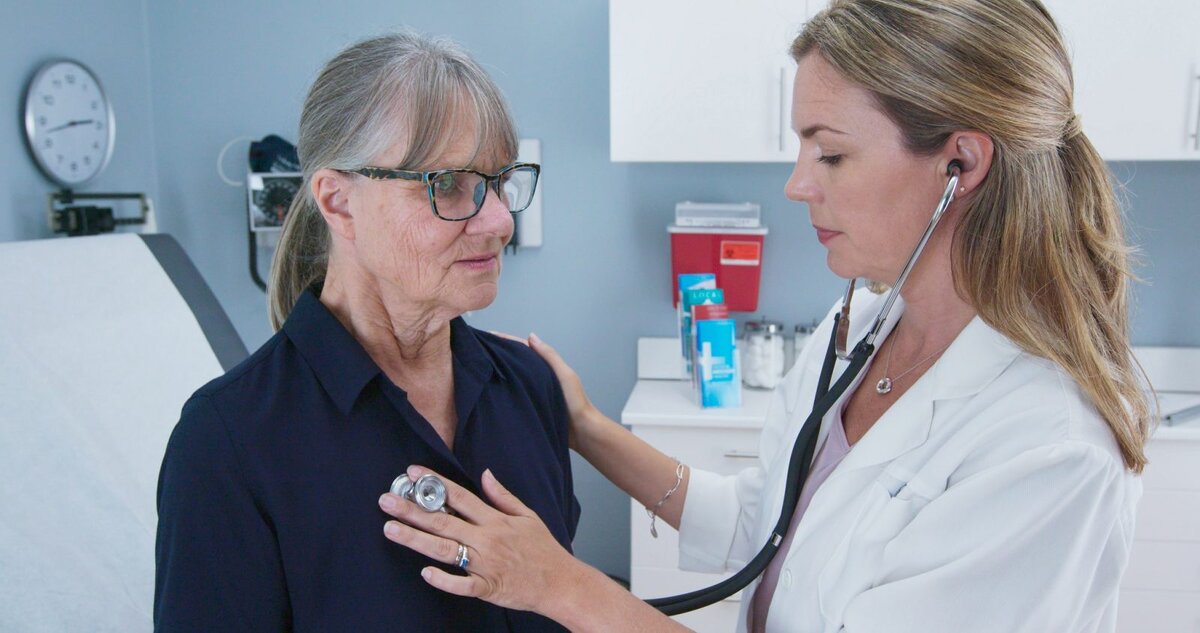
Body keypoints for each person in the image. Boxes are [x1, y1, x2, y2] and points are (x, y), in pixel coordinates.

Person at [378, 1, 1153, 631]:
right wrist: (584, 423)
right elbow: (761, 522)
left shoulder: (1049, 451)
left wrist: (560, 584)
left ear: (962, 163)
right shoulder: (862, 329)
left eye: (831, 154)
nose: (797, 185)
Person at [154, 32, 579, 632]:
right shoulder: (229, 443)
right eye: (449, 184)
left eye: (501, 182)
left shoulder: (530, 389)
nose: (500, 220)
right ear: (339, 202)